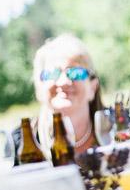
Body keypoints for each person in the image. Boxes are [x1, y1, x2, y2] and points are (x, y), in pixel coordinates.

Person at [11, 33, 104, 161]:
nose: (63, 81)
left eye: (76, 73)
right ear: (39, 88)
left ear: (93, 87)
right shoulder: (21, 142)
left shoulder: (118, 127)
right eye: (52, 74)